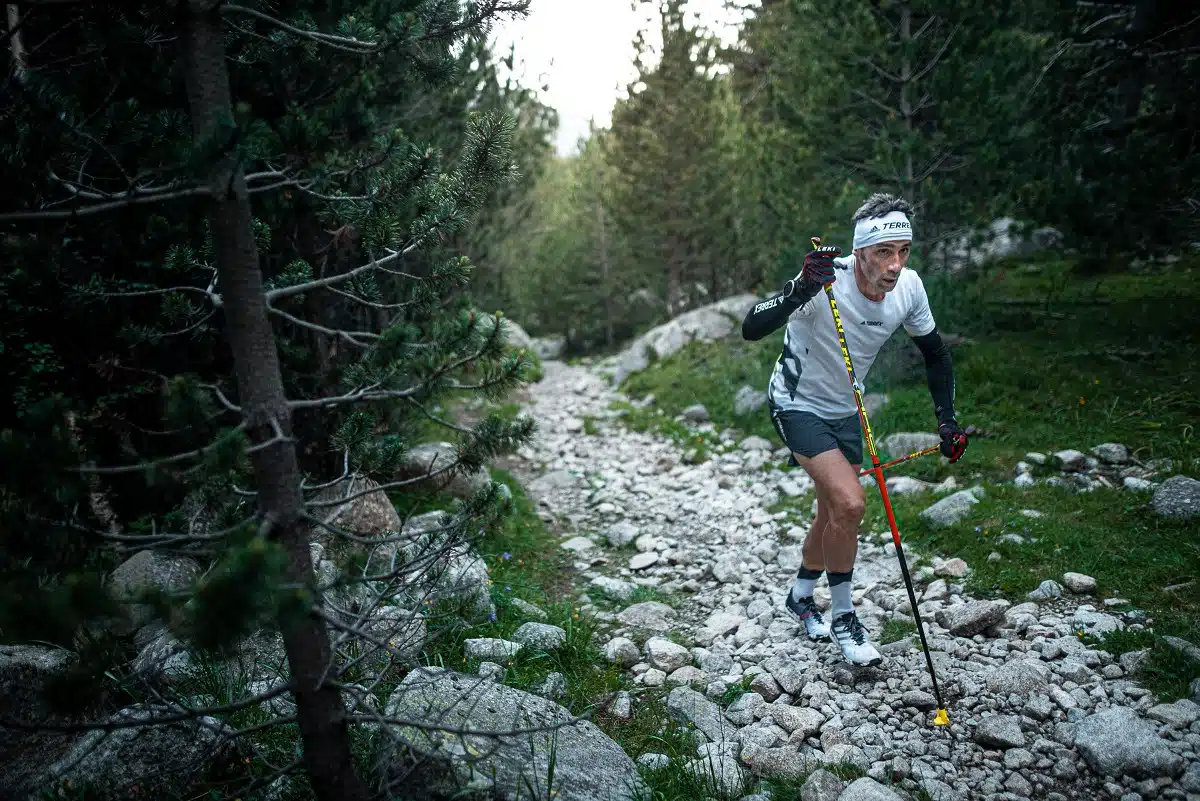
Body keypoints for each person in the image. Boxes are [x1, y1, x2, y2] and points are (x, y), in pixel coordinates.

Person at [740, 193, 968, 666]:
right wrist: (799, 289)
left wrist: (946, 418)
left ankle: (801, 595)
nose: (895, 265)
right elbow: (751, 327)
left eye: (903, 251)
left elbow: (935, 354)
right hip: (796, 404)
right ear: (860, 251)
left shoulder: (909, 288)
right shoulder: (825, 282)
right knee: (850, 503)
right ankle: (844, 617)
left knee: (832, 513)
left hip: (847, 409)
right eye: (884, 252)